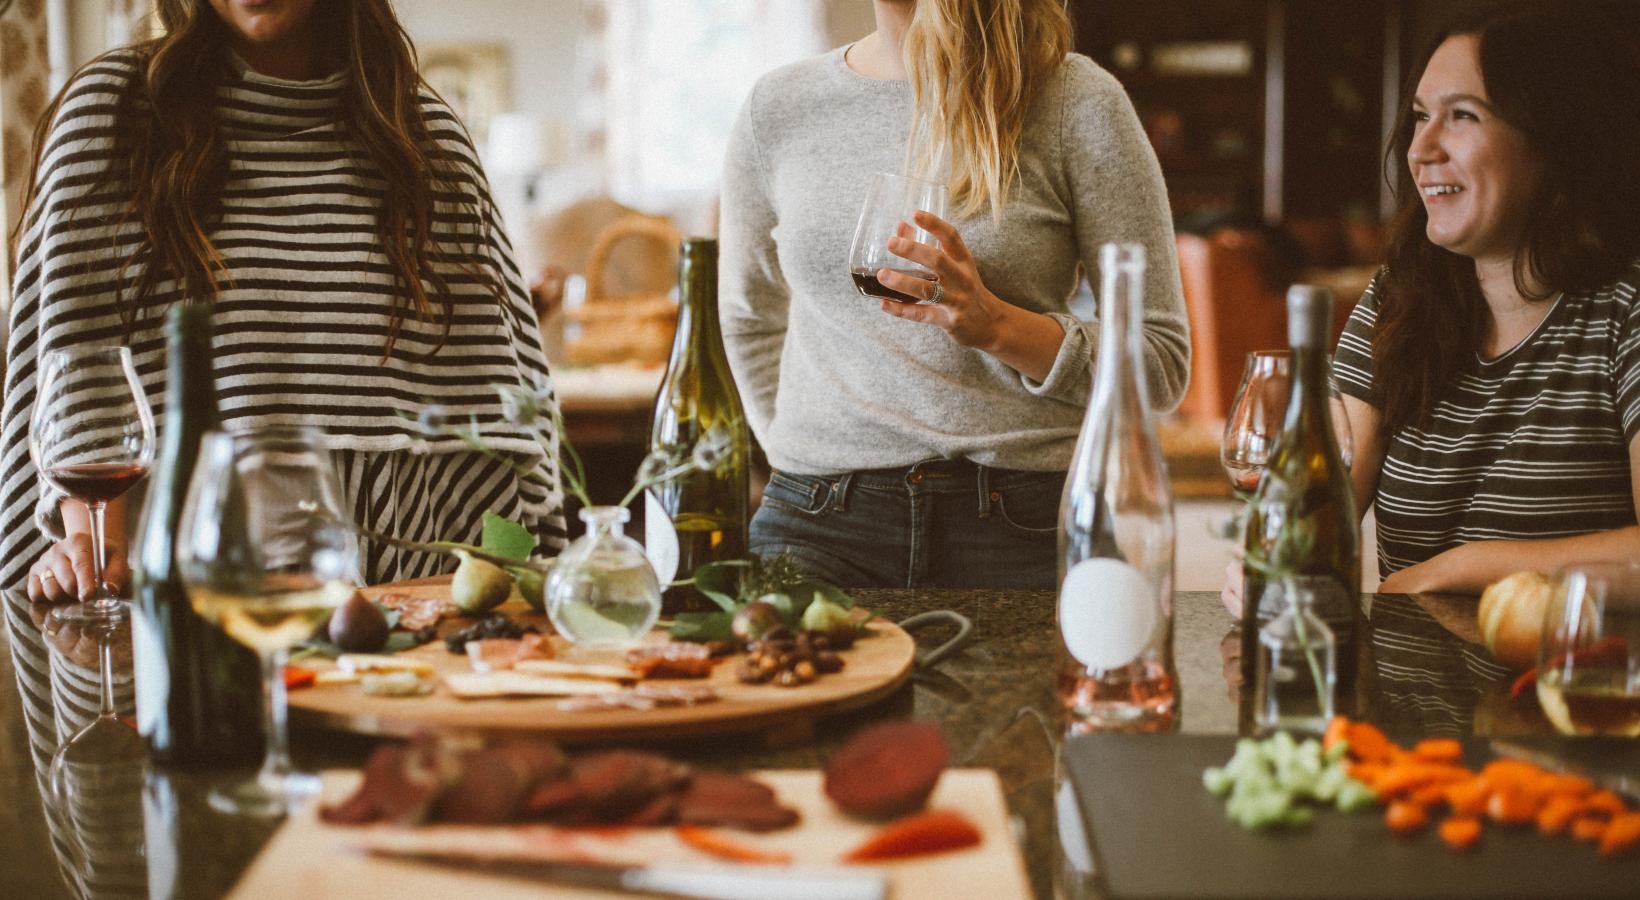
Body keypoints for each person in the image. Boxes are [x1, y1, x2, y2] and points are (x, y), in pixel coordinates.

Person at [4, 0, 564, 613]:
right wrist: (90, 547)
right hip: (187, 601)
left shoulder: (423, 135)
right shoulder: (113, 114)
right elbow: (77, 367)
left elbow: (499, 407)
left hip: (409, 596)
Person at [719, 0, 1189, 589]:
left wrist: (997, 326)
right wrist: (800, 453)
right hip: (816, 522)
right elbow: (748, 320)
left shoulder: (1075, 99)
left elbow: (1161, 363)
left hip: (1024, 521)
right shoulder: (777, 108)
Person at [1331, 6, 1640, 595]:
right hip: (1417, 687)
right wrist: (1275, 554)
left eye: (1462, 116)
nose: (1420, 149)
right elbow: (1322, 497)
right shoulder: (1400, 292)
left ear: (1556, 140)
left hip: (1573, 684)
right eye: (1421, 116)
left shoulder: (1627, 307)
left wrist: (1458, 569)